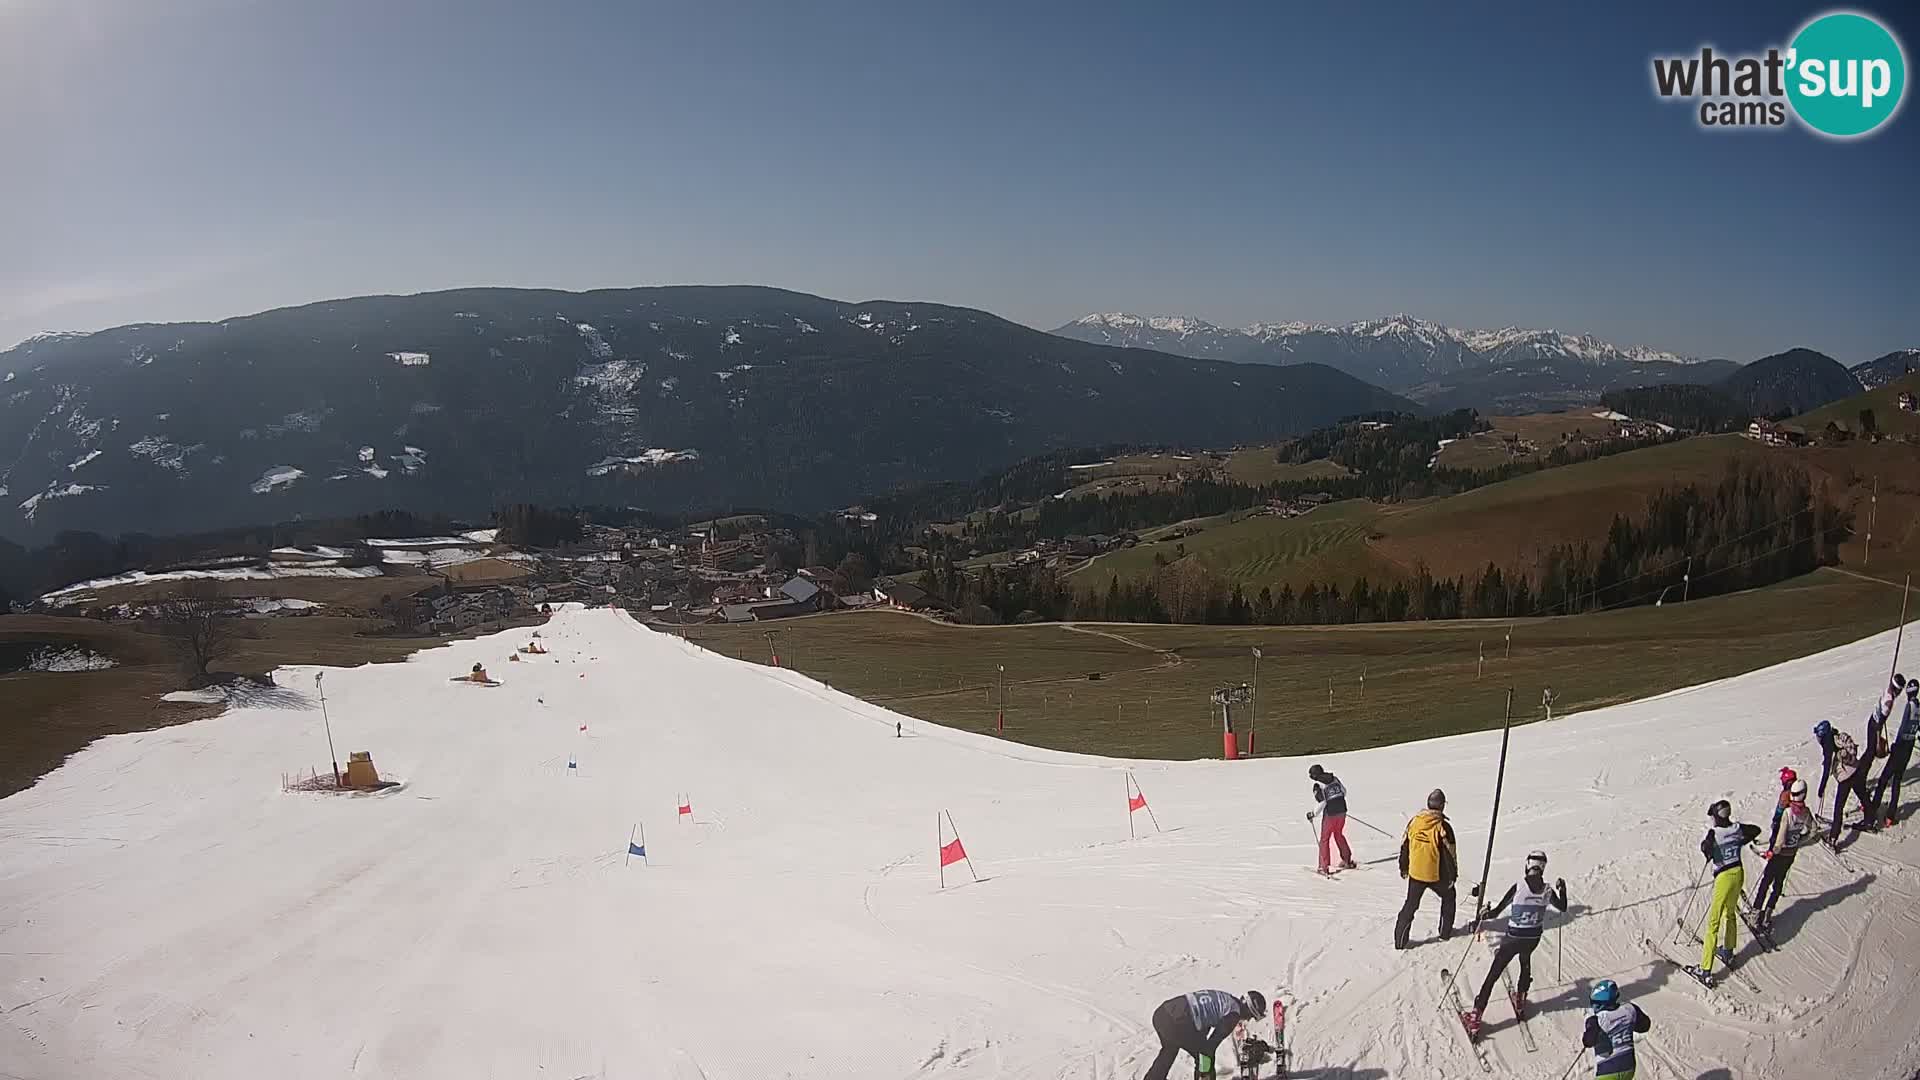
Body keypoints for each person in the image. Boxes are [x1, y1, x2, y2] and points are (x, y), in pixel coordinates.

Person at [1466, 850, 1567, 1030]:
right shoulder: (1548, 890)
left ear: (1528, 864)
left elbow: (1496, 912)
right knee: (1525, 962)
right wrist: (1563, 889)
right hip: (1533, 938)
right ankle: (1520, 999)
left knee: (1493, 975)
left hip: (1513, 938)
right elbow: (1563, 907)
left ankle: (1476, 1015)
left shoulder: (1519, 886)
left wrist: (1484, 914)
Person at [1142, 988, 1266, 1080]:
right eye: (1251, 1016)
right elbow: (1210, 1046)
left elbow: (1202, 1017)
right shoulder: (1233, 1014)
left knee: (1169, 1050)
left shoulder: (1227, 999)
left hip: (1163, 1014)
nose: (1248, 1020)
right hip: (1177, 1022)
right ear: (1248, 1010)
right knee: (1205, 1057)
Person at [1699, 799, 1760, 974]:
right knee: (1730, 913)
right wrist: (1740, 840)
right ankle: (1728, 950)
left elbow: (1705, 848)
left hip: (1723, 877)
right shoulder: (1737, 829)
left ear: (1717, 817)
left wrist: (1709, 851)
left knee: (1713, 922)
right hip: (1738, 873)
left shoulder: (1714, 832)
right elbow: (1755, 830)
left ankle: (1705, 969)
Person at [1394, 789, 1458, 950]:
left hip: (1416, 873)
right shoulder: (1443, 827)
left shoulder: (1415, 822)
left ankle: (1400, 941)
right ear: (1442, 806)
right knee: (1449, 896)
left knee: (1410, 905)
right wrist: (1453, 876)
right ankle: (1444, 933)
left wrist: (1404, 867)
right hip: (1436, 875)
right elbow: (1450, 854)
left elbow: (1405, 845)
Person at [1752, 779, 1814, 926]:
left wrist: (1772, 852)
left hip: (1780, 854)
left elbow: (1780, 838)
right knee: (1778, 883)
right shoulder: (1805, 812)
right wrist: (1800, 840)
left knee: (1766, 881)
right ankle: (1767, 914)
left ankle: (1755, 913)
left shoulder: (1788, 812)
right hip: (1790, 854)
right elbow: (1813, 830)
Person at [1870, 676, 1917, 828]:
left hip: (1901, 746)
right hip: (1909, 747)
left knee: (1884, 779)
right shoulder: (1919, 706)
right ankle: (1890, 816)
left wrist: (1895, 745)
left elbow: (1903, 726)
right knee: (1897, 781)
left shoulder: (1910, 706)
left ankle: (1873, 806)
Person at [1581, 980, 1651, 1080]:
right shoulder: (1630, 1009)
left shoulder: (1596, 1020)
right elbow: (1644, 1026)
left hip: (1607, 1071)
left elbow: (1588, 1041)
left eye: (1595, 1004)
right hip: (1629, 1068)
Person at [1307, 765, 1356, 874]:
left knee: (1325, 839)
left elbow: (1322, 802)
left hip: (1330, 814)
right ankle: (1347, 860)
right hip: (1342, 811)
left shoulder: (1318, 785)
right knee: (1338, 834)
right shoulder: (1334, 779)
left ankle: (1323, 867)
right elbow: (1344, 792)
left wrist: (1313, 814)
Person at [1826, 719, 1868, 843]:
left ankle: (1833, 837)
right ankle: (1870, 818)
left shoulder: (1837, 745)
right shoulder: (1840, 739)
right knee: (1863, 795)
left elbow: (1848, 756)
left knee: (1839, 807)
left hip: (1846, 777)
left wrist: (1841, 757)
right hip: (1856, 771)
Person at [1765, 767, 1797, 850]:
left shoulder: (1785, 795)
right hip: (1793, 818)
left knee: (1775, 832)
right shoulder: (1796, 792)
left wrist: (1775, 819)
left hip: (1783, 818)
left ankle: (1771, 850)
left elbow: (1780, 809)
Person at [1813, 719, 1838, 799]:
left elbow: (1826, 771)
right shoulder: (1829, 738)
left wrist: (1821, 789)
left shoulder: (1828, 744)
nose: (1817, 738)